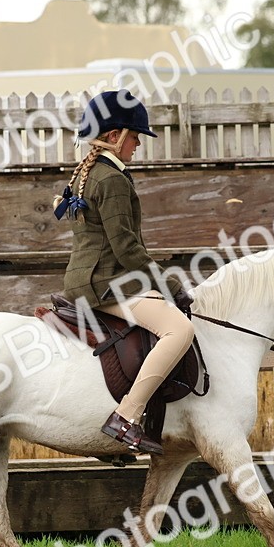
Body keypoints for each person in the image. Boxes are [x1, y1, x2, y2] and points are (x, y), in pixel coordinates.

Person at [54, 90, 194, 456]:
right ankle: (127, 416)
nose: (138, 145)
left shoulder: (88, 172)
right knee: (179, 329)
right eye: (134, 137)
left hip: (88, 279)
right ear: (114, 136)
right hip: (105, 284)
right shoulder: (111, 180)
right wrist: (171, 285)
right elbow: (127, 249)